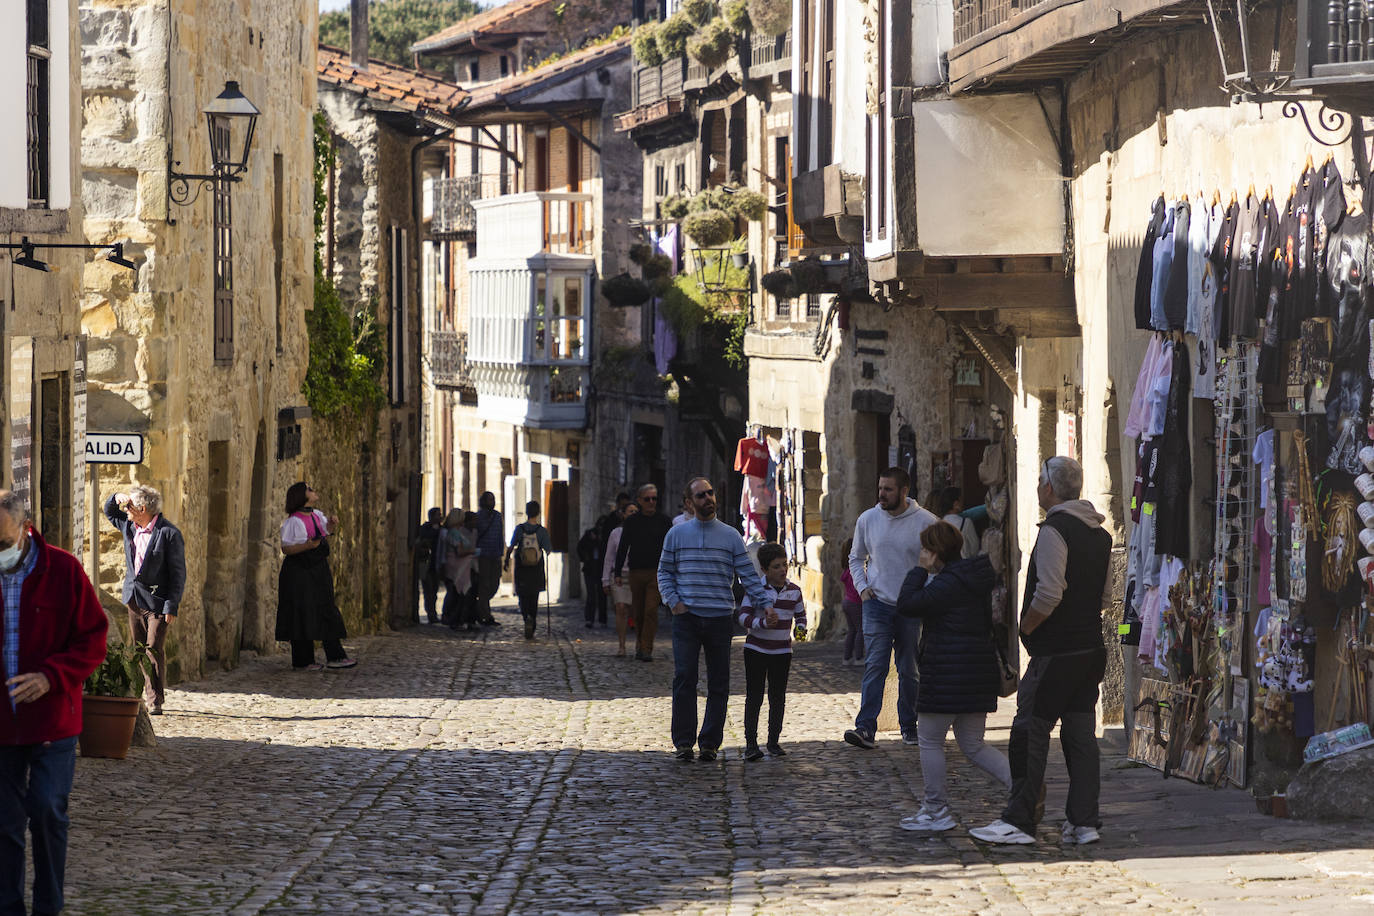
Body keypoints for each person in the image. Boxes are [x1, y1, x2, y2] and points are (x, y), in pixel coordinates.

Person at [971, 456, 1112, 847]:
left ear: (1049, 488)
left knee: (1028, 733)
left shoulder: (1055, 530)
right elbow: (1105, 596)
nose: (1036, 489)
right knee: (1080, 736)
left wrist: (1026, 627)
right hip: (1089, 649)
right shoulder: (1100, 535)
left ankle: (1020, 819)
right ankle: (1084, 822)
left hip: (1057, 651)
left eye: (1038, 482)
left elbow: (1049, 592)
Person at [0, 491, 108, 916]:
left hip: (51, 722)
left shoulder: (62, 569)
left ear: (26, 530)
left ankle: (49, 906)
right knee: (4, 824)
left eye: (3, 543)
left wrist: (51, 677)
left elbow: (93, 638)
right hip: (1, 726)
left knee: (46, 810)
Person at [895, 521, 1010, 832]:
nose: (921, 554)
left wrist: (919, 570)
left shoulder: (947, 584)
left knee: (930, 741)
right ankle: (1022, 789)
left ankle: (935, 811)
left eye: (925, 549)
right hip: (975, 672)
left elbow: (907, 604)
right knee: (973, 745)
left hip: (947, 673)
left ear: (935, 553)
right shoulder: (972, 577)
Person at [659, 477, 773, 762]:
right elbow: (665, 572)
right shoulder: (676, 535)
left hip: (720, 617)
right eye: (700, 495)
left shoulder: (731, 536)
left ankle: (709, 742)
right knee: (685, 678)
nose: (707, 498)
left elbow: (748, 574)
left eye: (710, 493)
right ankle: (684, 742)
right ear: (690, 502)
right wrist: (673, 601)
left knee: (719, 682)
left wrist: (766, 603)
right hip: (687, 618)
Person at [844, 467, 937, 750]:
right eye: (880, 488)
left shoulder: (926, 522)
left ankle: (908, 725)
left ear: (904, 491)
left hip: (910, 607)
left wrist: (925, 594)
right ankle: (865, 728)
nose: (882, 494)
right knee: (875, 665)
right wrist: (862, 588)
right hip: (877, 604)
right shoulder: (868, 519)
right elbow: (855, 557)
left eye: (888, 489)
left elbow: (937, 562)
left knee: (909, 668)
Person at [103, 485, 186, 715]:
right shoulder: (129, 525)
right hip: (134, 600)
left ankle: (155, 699)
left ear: (142, 508)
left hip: (158, 602)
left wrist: (172, 605)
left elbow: (178, 574)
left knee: (153, 648)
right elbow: (109, 511)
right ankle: (144, 692)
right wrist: (115, 497)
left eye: (129, 505)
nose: (125, 509)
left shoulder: (169, 534)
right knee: (140, 649)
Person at [276, 482, 356, 670]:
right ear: (301, 496)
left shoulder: (316, 515)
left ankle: (335, 656)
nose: (313, 491)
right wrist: (308, 546)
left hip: (318, 569)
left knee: (326, 608)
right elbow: (286, 548)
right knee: (301, 611)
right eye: (309, 489)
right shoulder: (293, 522)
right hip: (299, 572)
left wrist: (331, 525)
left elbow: (324, 533)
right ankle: (303, 660)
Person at [738, 543, 806, 760]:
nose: (782, 570)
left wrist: (800, 630)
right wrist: (762, 623)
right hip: (756, 649)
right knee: (755, 696)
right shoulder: (756, 591)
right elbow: (742, 617)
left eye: (785, 565)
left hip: (782, 651)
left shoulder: (794, 591)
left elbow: (801, 617)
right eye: (776, 566)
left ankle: (773, 741)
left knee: (778, 697)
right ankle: (751, 743)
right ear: (765, 570)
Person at [614, 484, 673, 661]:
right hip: (636, 572)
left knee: (651, 609)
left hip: (657, 572)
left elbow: (670, 547)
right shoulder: (632, 522)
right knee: (638, 611)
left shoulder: (664, 521)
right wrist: (617, 572)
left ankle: (647, 647)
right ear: (639, 500)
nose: (651, 502)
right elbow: (623, 546)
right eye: (647, 499)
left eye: (654, 498)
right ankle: (640, 643)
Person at [504, 501, 552, 640]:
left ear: (526, 512)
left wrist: (507, 561)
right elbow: (548, 550)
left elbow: (511, 545)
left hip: (522, 567)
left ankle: (526, 618)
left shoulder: (519, 529)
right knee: (534, 595)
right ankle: (533, 619)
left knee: (522, 595)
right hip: (536, 568)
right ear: (538, 513)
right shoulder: (541, 531)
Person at [602, 503, 638, 656]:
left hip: (636, 574)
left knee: (636, 611)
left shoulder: (642, 531)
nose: (633, 513)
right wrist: (605, 579)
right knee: (621, 608)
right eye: (630, 511)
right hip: (619, 576)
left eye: (636, 511)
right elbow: (609, 558)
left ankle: (640, 643)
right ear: (623, 514)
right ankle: (622, 645)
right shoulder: (616, 533)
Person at [440, 509, 477, 630]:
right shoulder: (454, 533)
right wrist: (473, 551)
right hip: (457, 567)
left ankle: (456, 619)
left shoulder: (454, 532)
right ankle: (456, 620)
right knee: (459, 594)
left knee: (457, 594)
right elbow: (459, 551)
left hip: (458, 566)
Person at [473, 491, 504, 627]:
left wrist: (501, 552)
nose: (492, 502)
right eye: (489, 499)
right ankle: (486, 615)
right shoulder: (478, 517)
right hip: (483, 556)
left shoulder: (497, 516)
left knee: (494, 585)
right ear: (483, 501)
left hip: (495, 555)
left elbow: (500, 535)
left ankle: (480, 608)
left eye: (493, 499)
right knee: (484, 585)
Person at [934, 486, 980, 560]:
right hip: (963, 567)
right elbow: (975, 548)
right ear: (956, 504)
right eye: (961, 500)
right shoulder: (966, 523)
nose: (963, 503)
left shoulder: (937, 525)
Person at [416, 507, 443, 624]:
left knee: (434, 591)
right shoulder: (425, 529)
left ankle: (433, 613)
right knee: (428, 590)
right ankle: (431, 614)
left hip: (436, 564)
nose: (440, 516)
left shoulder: (442, 529)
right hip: (425, 563)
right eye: (438, 515)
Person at [839, 537, 863, 666]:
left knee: (851, 630)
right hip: (855, 603)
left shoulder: (846, 570)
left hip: (847, 602)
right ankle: (859, 657)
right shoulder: (854, 571)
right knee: (861, 630)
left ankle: (847, 658)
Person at [577, 526, 601, 629]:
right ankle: (589, 619)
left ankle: (600, 619)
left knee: (599, 595)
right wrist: (585, 558)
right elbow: (580, 548)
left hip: (599, 570)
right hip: (589, 570)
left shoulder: (600, 540)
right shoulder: (587, 539)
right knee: (591, 595)